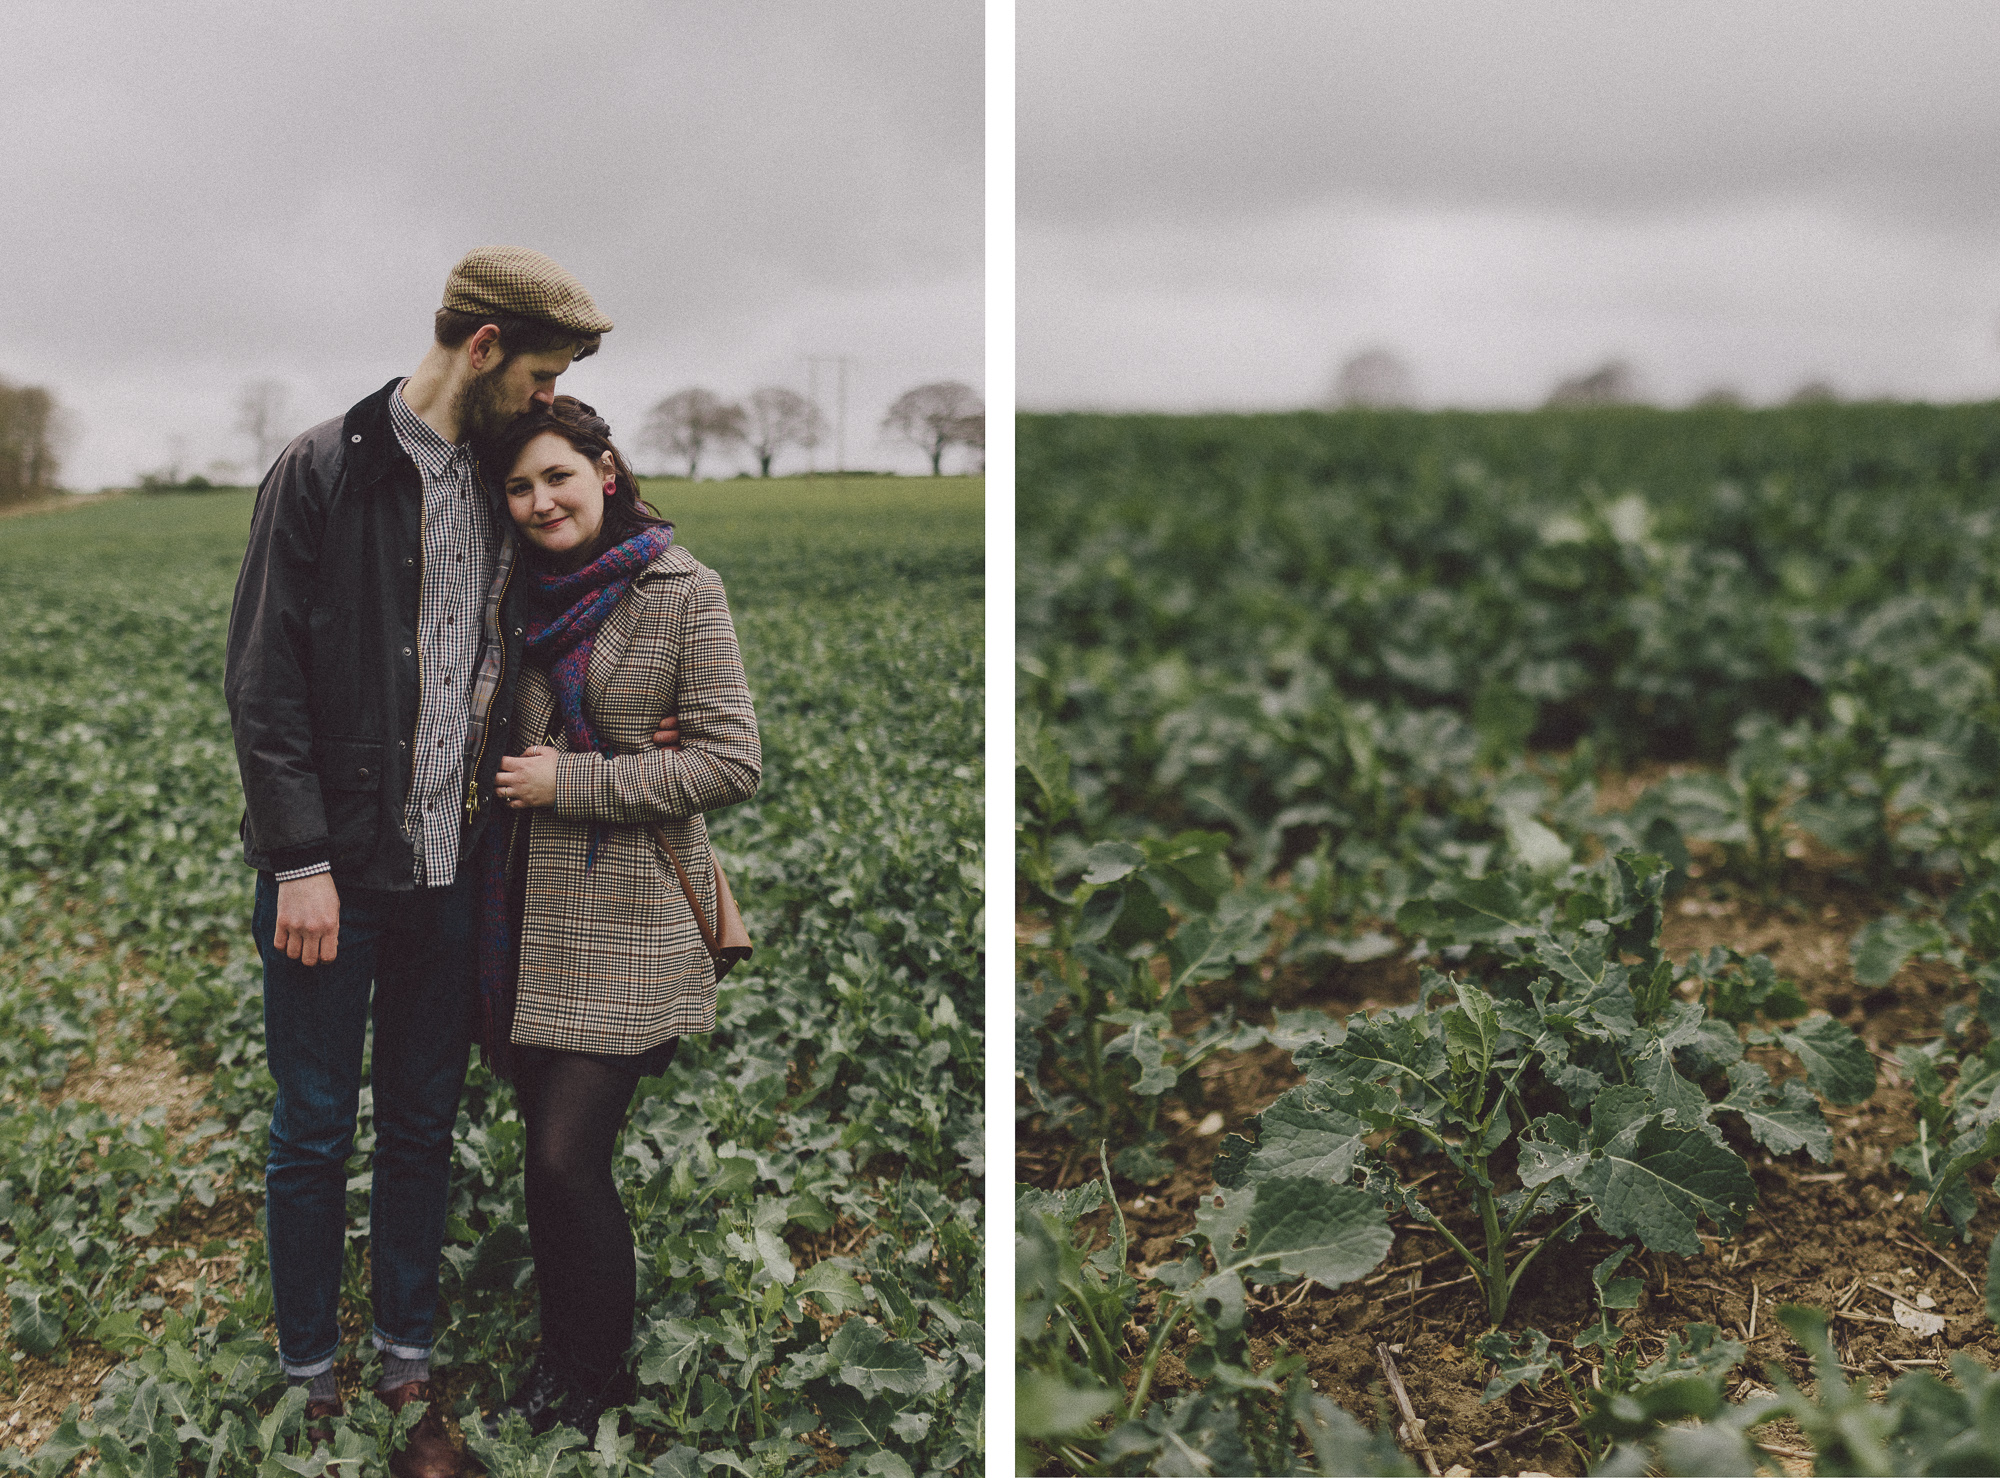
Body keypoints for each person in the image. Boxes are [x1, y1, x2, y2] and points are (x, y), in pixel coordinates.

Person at [225, 248, 637, 1478]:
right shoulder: (322, 469)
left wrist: (643, 720)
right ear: (484, 347)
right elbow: (263, 683)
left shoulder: (507, 481)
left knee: (420, 1122)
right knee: (311, 1127)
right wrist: (299, 859)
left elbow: (599, 591)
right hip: (330, 874)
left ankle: (406, 1362)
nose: (549, 399)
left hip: (457, 872)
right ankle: (309, 1377)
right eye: (543, 373)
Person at [472, 396, 760, 1435]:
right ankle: (566, 1341)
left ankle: (588, 1375)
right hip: (519, 917)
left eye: (558, 475)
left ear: (604, 468)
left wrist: (576, 781)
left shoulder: (682, 589)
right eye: (518, 486)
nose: (541, 501)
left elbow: (732, 761)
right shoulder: (503, 591)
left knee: (564, 1155)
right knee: (543, 1157)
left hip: (634, 920)